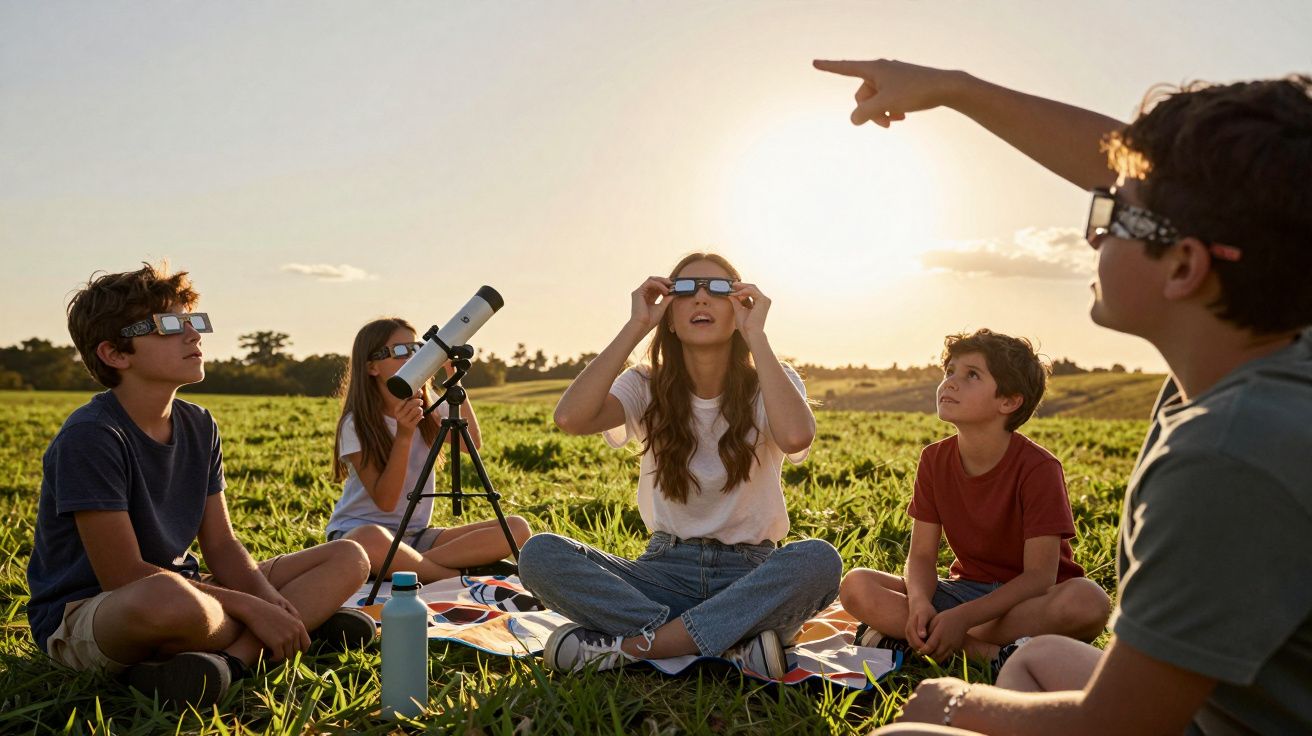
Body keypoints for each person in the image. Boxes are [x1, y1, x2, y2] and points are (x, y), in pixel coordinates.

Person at [814, 59, 1312, 734]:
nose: (1092, 229)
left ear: (1187, 266)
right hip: (1215, 703)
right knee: (1039, 660)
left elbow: (1117, 723)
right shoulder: (1266, 355)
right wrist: (956, 88)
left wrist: (949, 701)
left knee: (913, 727)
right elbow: (1147, 172)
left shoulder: (1226, 450)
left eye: (1112, 210)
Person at [26, 263, 376, 708]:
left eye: (194, 322)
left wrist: (274, 605)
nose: (193, 335)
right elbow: (122, 575)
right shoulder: (91, 436)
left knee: (350, 554)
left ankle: (234, 660)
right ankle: (305, 626)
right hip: (95, 611)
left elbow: (223, 546)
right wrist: (252, 608)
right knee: (168, 598)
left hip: (191, 589)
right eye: (170, 325)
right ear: (115, 353)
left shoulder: (198, 423)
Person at [516, 252, 842, 680]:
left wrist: (757, 336)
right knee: (540, 553)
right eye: (685, 290)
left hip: (749, 574)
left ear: (739, 307)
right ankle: (729, 647)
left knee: (818, 560)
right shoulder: (644, 384)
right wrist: (636, 326)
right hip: (663, 572)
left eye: (719, 289)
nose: (701, 299)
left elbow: (797, 437)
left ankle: (634, 647)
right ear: (669, 314)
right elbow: (570, 419)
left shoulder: (772, 379)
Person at [839, 329, 1109, 668]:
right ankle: (991, 656)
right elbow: (921, 555)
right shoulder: (933, 460)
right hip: (963, 592)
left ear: (1008, 402)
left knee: (1089, 601)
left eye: (971, 375)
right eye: (949, 371)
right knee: (856, 585)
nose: (950, 382)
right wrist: (921, 602)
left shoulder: (1039, 468)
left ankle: (916, 638)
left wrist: (962, 618)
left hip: (1026, 602)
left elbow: (1039, 577)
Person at [326, 317, 531, 583]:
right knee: (371, 540)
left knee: (515, 528)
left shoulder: (429, 403)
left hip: (415, 536)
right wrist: (404, 435)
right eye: (399, 351)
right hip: (356, 536)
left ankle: (407, 567)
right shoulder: (356, 424)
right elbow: (386, 502)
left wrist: (452, 379)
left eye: (417, 349)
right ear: (372, 367)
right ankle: (455, 576)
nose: (411, 356)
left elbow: (472, 443)